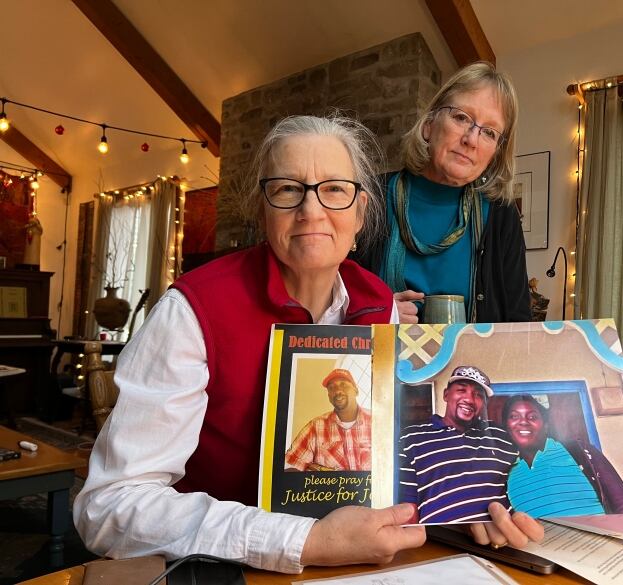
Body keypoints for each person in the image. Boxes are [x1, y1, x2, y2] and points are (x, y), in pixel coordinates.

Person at [74, 114, 424, 573]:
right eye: (287, 189)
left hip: (363, 564)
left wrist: (477, 514)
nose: (312, 211)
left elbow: (396, 460)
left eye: (335, 189)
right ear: (262, 211)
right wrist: (306, 541)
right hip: (222, 572)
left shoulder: (382, 306)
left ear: (360, 213)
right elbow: (108, 507)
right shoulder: (193, 309)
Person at [354, 62, 531, 324]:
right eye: (461, 117)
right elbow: (330, 297)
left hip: (473, 364)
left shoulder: (501, 215)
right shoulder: (372, 198)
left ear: (495, 153)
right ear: (429, 124)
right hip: (377, 361)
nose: (471, 139)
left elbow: (519, 324)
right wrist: (378, 311)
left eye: (489, 132)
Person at [398, 366, 519, 525]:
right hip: (441, 541)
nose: (469, 399)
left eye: (478, 395)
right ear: (446, 395)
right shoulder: (411, 438)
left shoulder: (500, 435)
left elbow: (523, 476)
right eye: (461, 390)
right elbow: (408, 504)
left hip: (500, 535)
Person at [502, 395, 623, 517]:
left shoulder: (579, 450)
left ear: (546, 426)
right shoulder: (503, 470)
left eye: (532, 416)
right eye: (514, 416)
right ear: (506, 427)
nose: (523, 422)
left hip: (599, 542)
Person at [285, 368, 371, 471]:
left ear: (356, 391)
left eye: (343, 384)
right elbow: (290, 465)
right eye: (331, 387)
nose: (338, 391)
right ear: (329, 396)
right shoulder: (316, 427)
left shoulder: (377, 421)